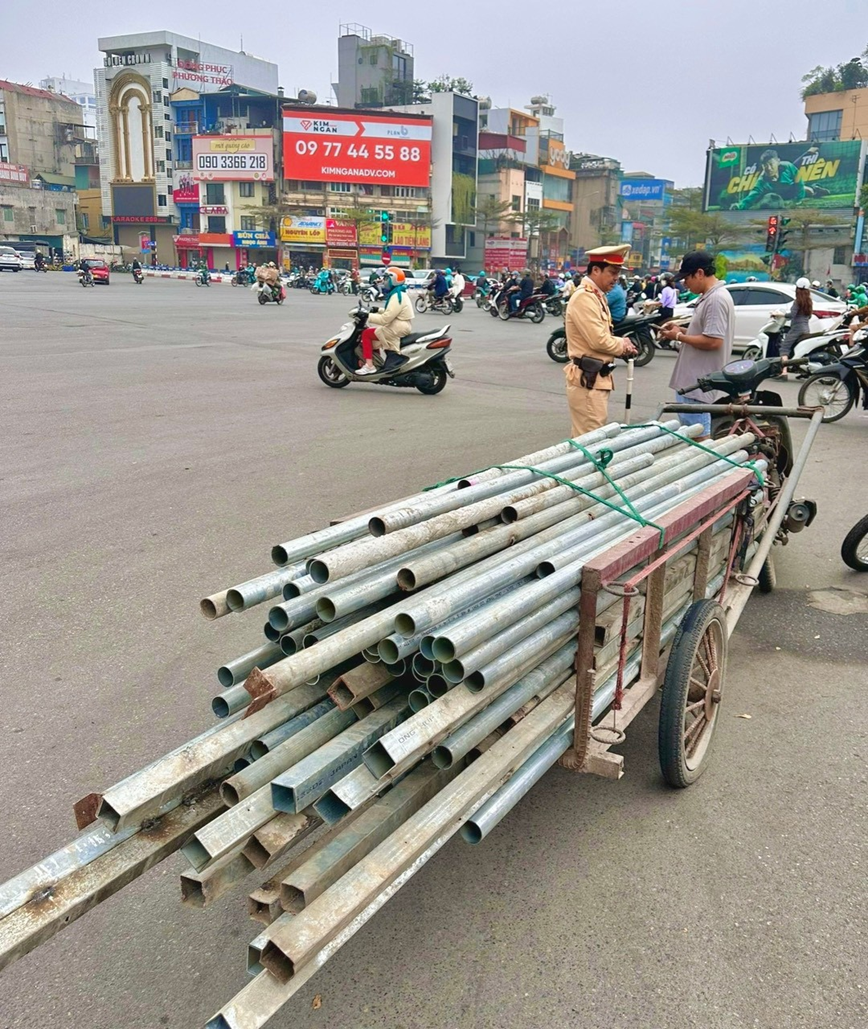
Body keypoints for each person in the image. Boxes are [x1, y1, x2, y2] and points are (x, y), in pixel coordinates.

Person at [564, 244, 638, 435]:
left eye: (618, 273)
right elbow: (598, 340)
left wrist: (621, 343)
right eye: (612, 272)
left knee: (588, 438)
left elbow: (602, 336)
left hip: (596, 378)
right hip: (588, 379)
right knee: (590, 441)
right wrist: (621, 344)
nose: (616, 278)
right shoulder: (585, 297)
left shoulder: (598, 296)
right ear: (595, 270)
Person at [659, 251, 734, 437]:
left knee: (699, 441)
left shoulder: (716, 299)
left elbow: (713, 341)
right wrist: (679, 330)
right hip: (693, 384)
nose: (684, 283)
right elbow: (705, 334)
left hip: (697, 385)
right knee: (694, 437)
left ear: (699, 273)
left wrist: (678, 337)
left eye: (687, 278)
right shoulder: (709, 296)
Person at [730, 147, 830, 210]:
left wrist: (798, 200)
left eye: (771, 164)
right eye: (765, 165)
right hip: (779, 195)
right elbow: (753, 194)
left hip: (791, 188)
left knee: (807, 190)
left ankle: (815, 189)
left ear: (777, 161)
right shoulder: (762, 179)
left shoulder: (788, 167)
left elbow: (799, 183)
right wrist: (740, 205)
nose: (768, 168)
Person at [357, 268, 414, 375]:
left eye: (387, 278)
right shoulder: (399, 293)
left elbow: (385, 319)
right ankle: (375, 363)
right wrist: (377, 310)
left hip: (397, 327)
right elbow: (392, 312)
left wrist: (367, 316)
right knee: (373, 336)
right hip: (400, 324)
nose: (384, 281)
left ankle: (369, 366)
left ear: (394, 280)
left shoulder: (397, 296)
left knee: (366, 334)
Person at [774, 276, 814, 380]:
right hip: (806, 329)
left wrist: (779, 314)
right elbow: (809, 316)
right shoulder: (809, 302)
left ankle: (784, 372)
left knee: (784, 348)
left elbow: (791, 315)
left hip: (796, 329)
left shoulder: (797, 301)